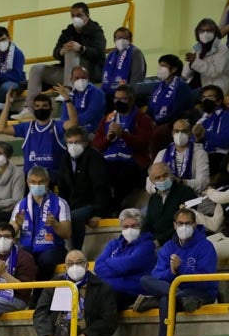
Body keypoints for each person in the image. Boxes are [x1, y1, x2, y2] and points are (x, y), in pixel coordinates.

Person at [25, 249, 117, 336]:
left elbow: (109, 320)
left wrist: (85, 335)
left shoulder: (102, 287)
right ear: (65, 267)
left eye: (79, 263)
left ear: (87, 265)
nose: (75, 266)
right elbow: (40, 312)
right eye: (70, 263)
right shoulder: (55, 284)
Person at [136, 209, 219, 336]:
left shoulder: (206, 246)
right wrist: (172, 271)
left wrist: (181, 270)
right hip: (179, 291)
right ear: (174, 225)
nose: (184, 227)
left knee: (165, 300)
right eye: (180, 223)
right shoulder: (169, 246)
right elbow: (156, 275)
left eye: (187, 223)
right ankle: (174, 293)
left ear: (194, 225)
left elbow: (207, 280)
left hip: (201, 291)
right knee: (145, 279)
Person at [21, 1, 106, 116]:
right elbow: (55, 52)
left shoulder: (96, 31)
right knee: (37, 69)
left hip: (87, 72)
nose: (75, 18)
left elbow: (99, 53)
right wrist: (61, 52)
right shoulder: (68, 31)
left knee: (72, 50)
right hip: (68, 73)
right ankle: (29, 109)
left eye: (79, 15)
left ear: (87, 16)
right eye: (73, 16)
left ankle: (67, 90)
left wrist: (81, 48)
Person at [91, 85, 155, 213]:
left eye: (123, 99)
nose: (119, 102)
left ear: (131, 100)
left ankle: (114, 209)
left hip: (131, 163)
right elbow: (96, 144)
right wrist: (107, 139)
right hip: (108, 160)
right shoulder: (108, 118)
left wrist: (123, 135)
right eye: (116, 99)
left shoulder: (142, 119)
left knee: (120, 173)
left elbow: (143, 144)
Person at [11, 167, 71, 283]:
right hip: (28, 248)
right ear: (27, 183)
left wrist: (55, 224)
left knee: (46, 260)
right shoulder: (20, 205)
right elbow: (9, 233)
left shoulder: (60, 203)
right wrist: (17, 225)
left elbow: (67, 233)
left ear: (47, 182)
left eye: (41, 182)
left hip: (52, 248)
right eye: (33, 182)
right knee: (20, 258)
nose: (37, 185)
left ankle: (38, 295)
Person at [94, 208, 159, 311]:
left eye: (133, 226)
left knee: (105, 296)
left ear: (140, 226)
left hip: (134, 292)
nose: (129, 229)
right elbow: (98, 267)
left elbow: (127, 265)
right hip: (113, 290)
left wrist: (109, 262)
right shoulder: (113, 244)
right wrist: (120, 268)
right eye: (126, 226)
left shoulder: (147, 245)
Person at [57, 126, 110, 251]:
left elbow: (101, 187)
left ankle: (76, 252)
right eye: (70, 143)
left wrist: (98, 213)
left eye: (77, 142)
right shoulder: (65, 159)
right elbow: (62, 188)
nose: (73, 146)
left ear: (86, 143)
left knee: (74, 217)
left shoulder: (94, 158)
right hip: (72, 205)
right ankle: (59, 251)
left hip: (91, 204)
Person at [0, 91, 66, 177]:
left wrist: (68, 100)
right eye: (37, 106)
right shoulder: (27, 127)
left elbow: (73, 124)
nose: (41, 109)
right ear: (33, 110)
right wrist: (7, 104)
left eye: (44, 106)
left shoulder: (58, 125)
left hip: (53, 176)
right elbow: (1, 128)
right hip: (31, 178)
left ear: (51, 109)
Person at [0, 223, 36, 314]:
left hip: (16, 299)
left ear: (13, 240)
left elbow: (25, 289)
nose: (2, 239)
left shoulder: (25, 257)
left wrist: (4, 274)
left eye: (6, 236)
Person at [150, 118, 210, 195]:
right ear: (172, 133)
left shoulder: (200, 153)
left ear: (190, 133)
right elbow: (149, 182)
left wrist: (181, 182)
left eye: (184, 131)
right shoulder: (162, 154)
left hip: (192, 196)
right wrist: (160, 188)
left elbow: (203, 182)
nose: (180, 134)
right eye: (177, 131)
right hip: (167, 197)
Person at [149, 55, 195, 150]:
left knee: (158, 134)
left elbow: (178, 111)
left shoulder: (182, 87)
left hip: (172, 124)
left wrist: (158, 122)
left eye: (164, 66)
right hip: (156, 122)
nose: (160, 69)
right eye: (159, 66)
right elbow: (150, 107)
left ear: (173, 69)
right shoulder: (157, 86)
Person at [101, 26, 147, 102]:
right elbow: (105, 75)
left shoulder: (135, 53)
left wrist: (126, 92)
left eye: (124, 38)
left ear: (130, 40)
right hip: (108, 94)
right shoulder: (111, 54)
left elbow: (137, 78)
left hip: (125, 96)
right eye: (118, 38)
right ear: (114, 39)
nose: (120, 40)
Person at [58, 65, 106, 135]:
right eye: (77, 78)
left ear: (88, 79)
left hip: (93, 132)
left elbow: (89, 117)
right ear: (71, 80)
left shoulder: (98, 93)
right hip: (73, 131)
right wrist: (68, 125)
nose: (80, 80)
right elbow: (64, 119)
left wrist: (72, 123)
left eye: (83, 77)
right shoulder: (69, 96)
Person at [185, 17, 229, 93]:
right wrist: (190, 65)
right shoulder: (196, 48)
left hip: (213, 89)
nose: (205, 34)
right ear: (197, 33)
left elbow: (215, 72)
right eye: (202, 31)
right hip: (193, 86)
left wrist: (195, 61)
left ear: (215, 32)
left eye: (209, 31)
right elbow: (185, 74)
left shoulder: (223, 49)